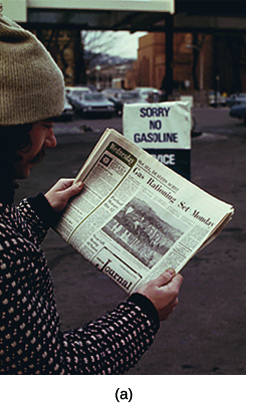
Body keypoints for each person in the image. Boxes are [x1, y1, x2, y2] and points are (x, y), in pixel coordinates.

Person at [0, 12, 183, 374]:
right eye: (45, 124)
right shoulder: (10, 257)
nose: (51, 140)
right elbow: (53, 374)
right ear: (10, 127)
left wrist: (38, 211)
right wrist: (143, 313)